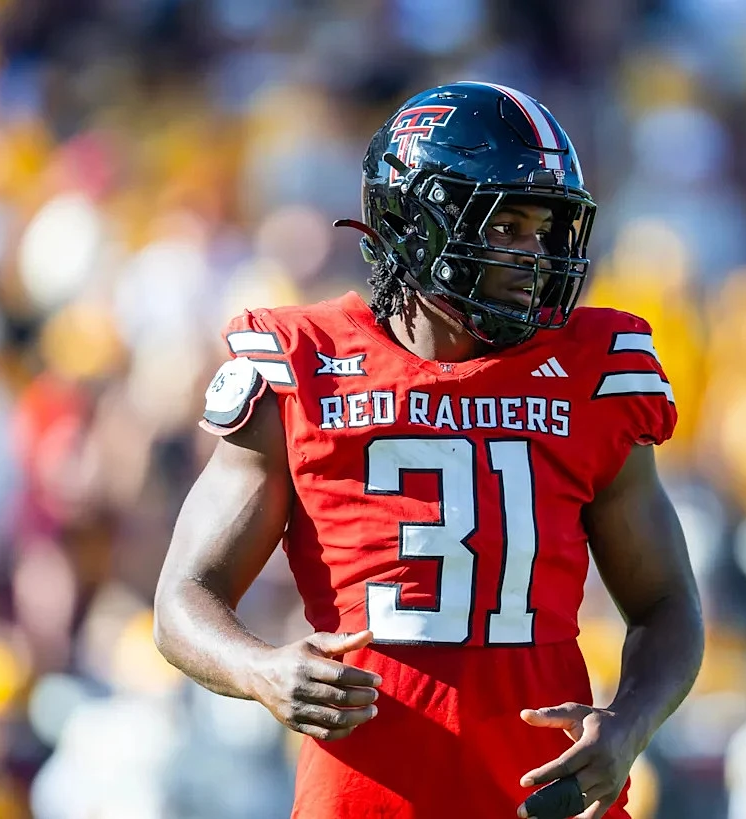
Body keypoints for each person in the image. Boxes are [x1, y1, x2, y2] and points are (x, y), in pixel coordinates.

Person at [153, 81, 705, 819]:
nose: (535, 255)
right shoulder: (306, 363)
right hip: (366, 801)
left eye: (546, 229)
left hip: (546, 800)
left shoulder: (593, 370)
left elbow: (667, 604)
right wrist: (260, 669)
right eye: (507, 225)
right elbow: (183, 598)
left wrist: (630, 723)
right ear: (415, 224)